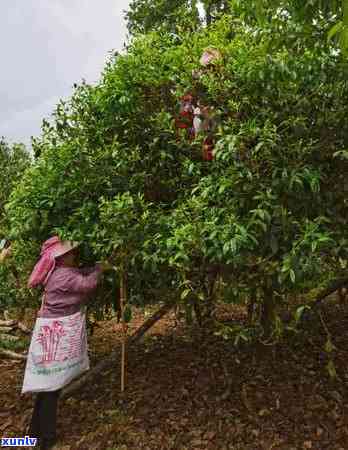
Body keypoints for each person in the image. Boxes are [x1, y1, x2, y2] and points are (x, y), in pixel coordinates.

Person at [22, 236, 110, 450]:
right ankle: (47, 439)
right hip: (55, 333)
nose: (75, 255)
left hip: (50, 330)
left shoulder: (58, 273)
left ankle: (34, 433)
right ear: (62, 258)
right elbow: (87, 283)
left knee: (47, 387)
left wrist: (94, 267)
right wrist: (100, 269)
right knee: (52, 387)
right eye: (71, 253)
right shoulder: (63, 276)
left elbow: (79, 274)